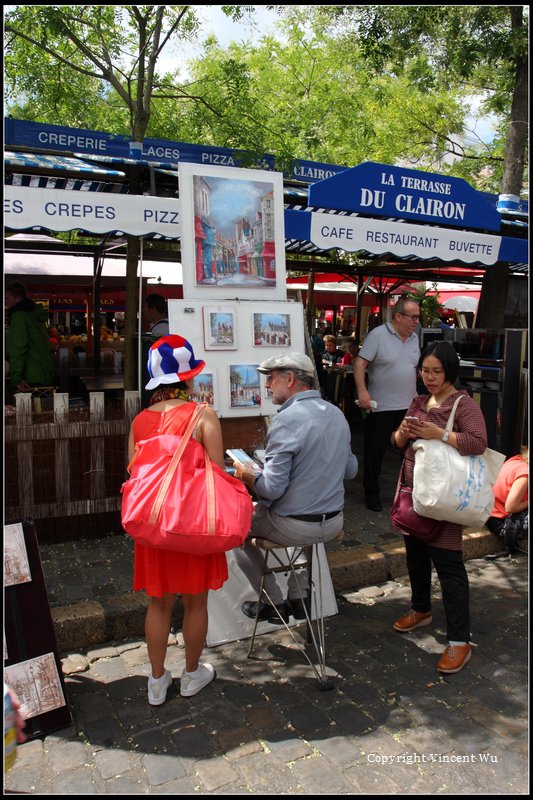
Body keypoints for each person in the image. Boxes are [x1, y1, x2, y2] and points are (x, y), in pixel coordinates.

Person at [127, 334, 227, 704]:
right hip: (193, 525)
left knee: (159, 604)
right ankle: (190, 675)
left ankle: (156, 681)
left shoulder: (140, 421)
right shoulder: (203, 415)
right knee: (196, 604)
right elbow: (216, 473)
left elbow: (134, 475)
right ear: (188, 377)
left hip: (154, 527)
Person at [232, 352, 358, 623]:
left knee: (236, 530)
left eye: (271, 379)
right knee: (301, 518)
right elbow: (351, 470)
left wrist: (246, 475)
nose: (267, 385)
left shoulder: (287, 419)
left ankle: (272, 601)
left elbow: (272, 489)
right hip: (332, 521)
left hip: (296, 525)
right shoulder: (336, 413)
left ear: (290, 379)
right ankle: (299, 596)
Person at [390, 340, 488, 675]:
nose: (430, 377)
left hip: (445, 499)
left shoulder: (463, 405)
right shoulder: (418, 401)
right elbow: (396, 444)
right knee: (415, 555)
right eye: (425, 371)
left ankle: (459, 642)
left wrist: (438, 433)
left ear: (450, 372)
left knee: (449, 568)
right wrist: (402, 432)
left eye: (437, 371)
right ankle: (421, 609)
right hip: (414, 495)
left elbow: (478, 443)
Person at [354, 297, 421, 512]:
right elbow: (359, 363)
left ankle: (408, 493)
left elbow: (414, 367)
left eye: (418, 317)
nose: (417, 322)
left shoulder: (414, 338)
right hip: (381, 406)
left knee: (411, 452)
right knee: (375, 452)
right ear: (398, 316)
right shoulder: (378, 335)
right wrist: (363, 391)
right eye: (413, 317)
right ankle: (371, 493)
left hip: (408, 405)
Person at [5, 281, 54, 397]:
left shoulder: (19, 316)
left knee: (28, 413)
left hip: (29, 377)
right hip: (43, 372)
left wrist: (16, 378)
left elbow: (18, 348)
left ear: (17, 299)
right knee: (42, 412)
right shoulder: (33, 315)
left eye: (7, 298)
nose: (5, 302)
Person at [485, 449, 528, 537]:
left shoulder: (516, 460)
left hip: (489, 514)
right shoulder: (525, 473)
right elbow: (511, 507)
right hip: (500, 522)